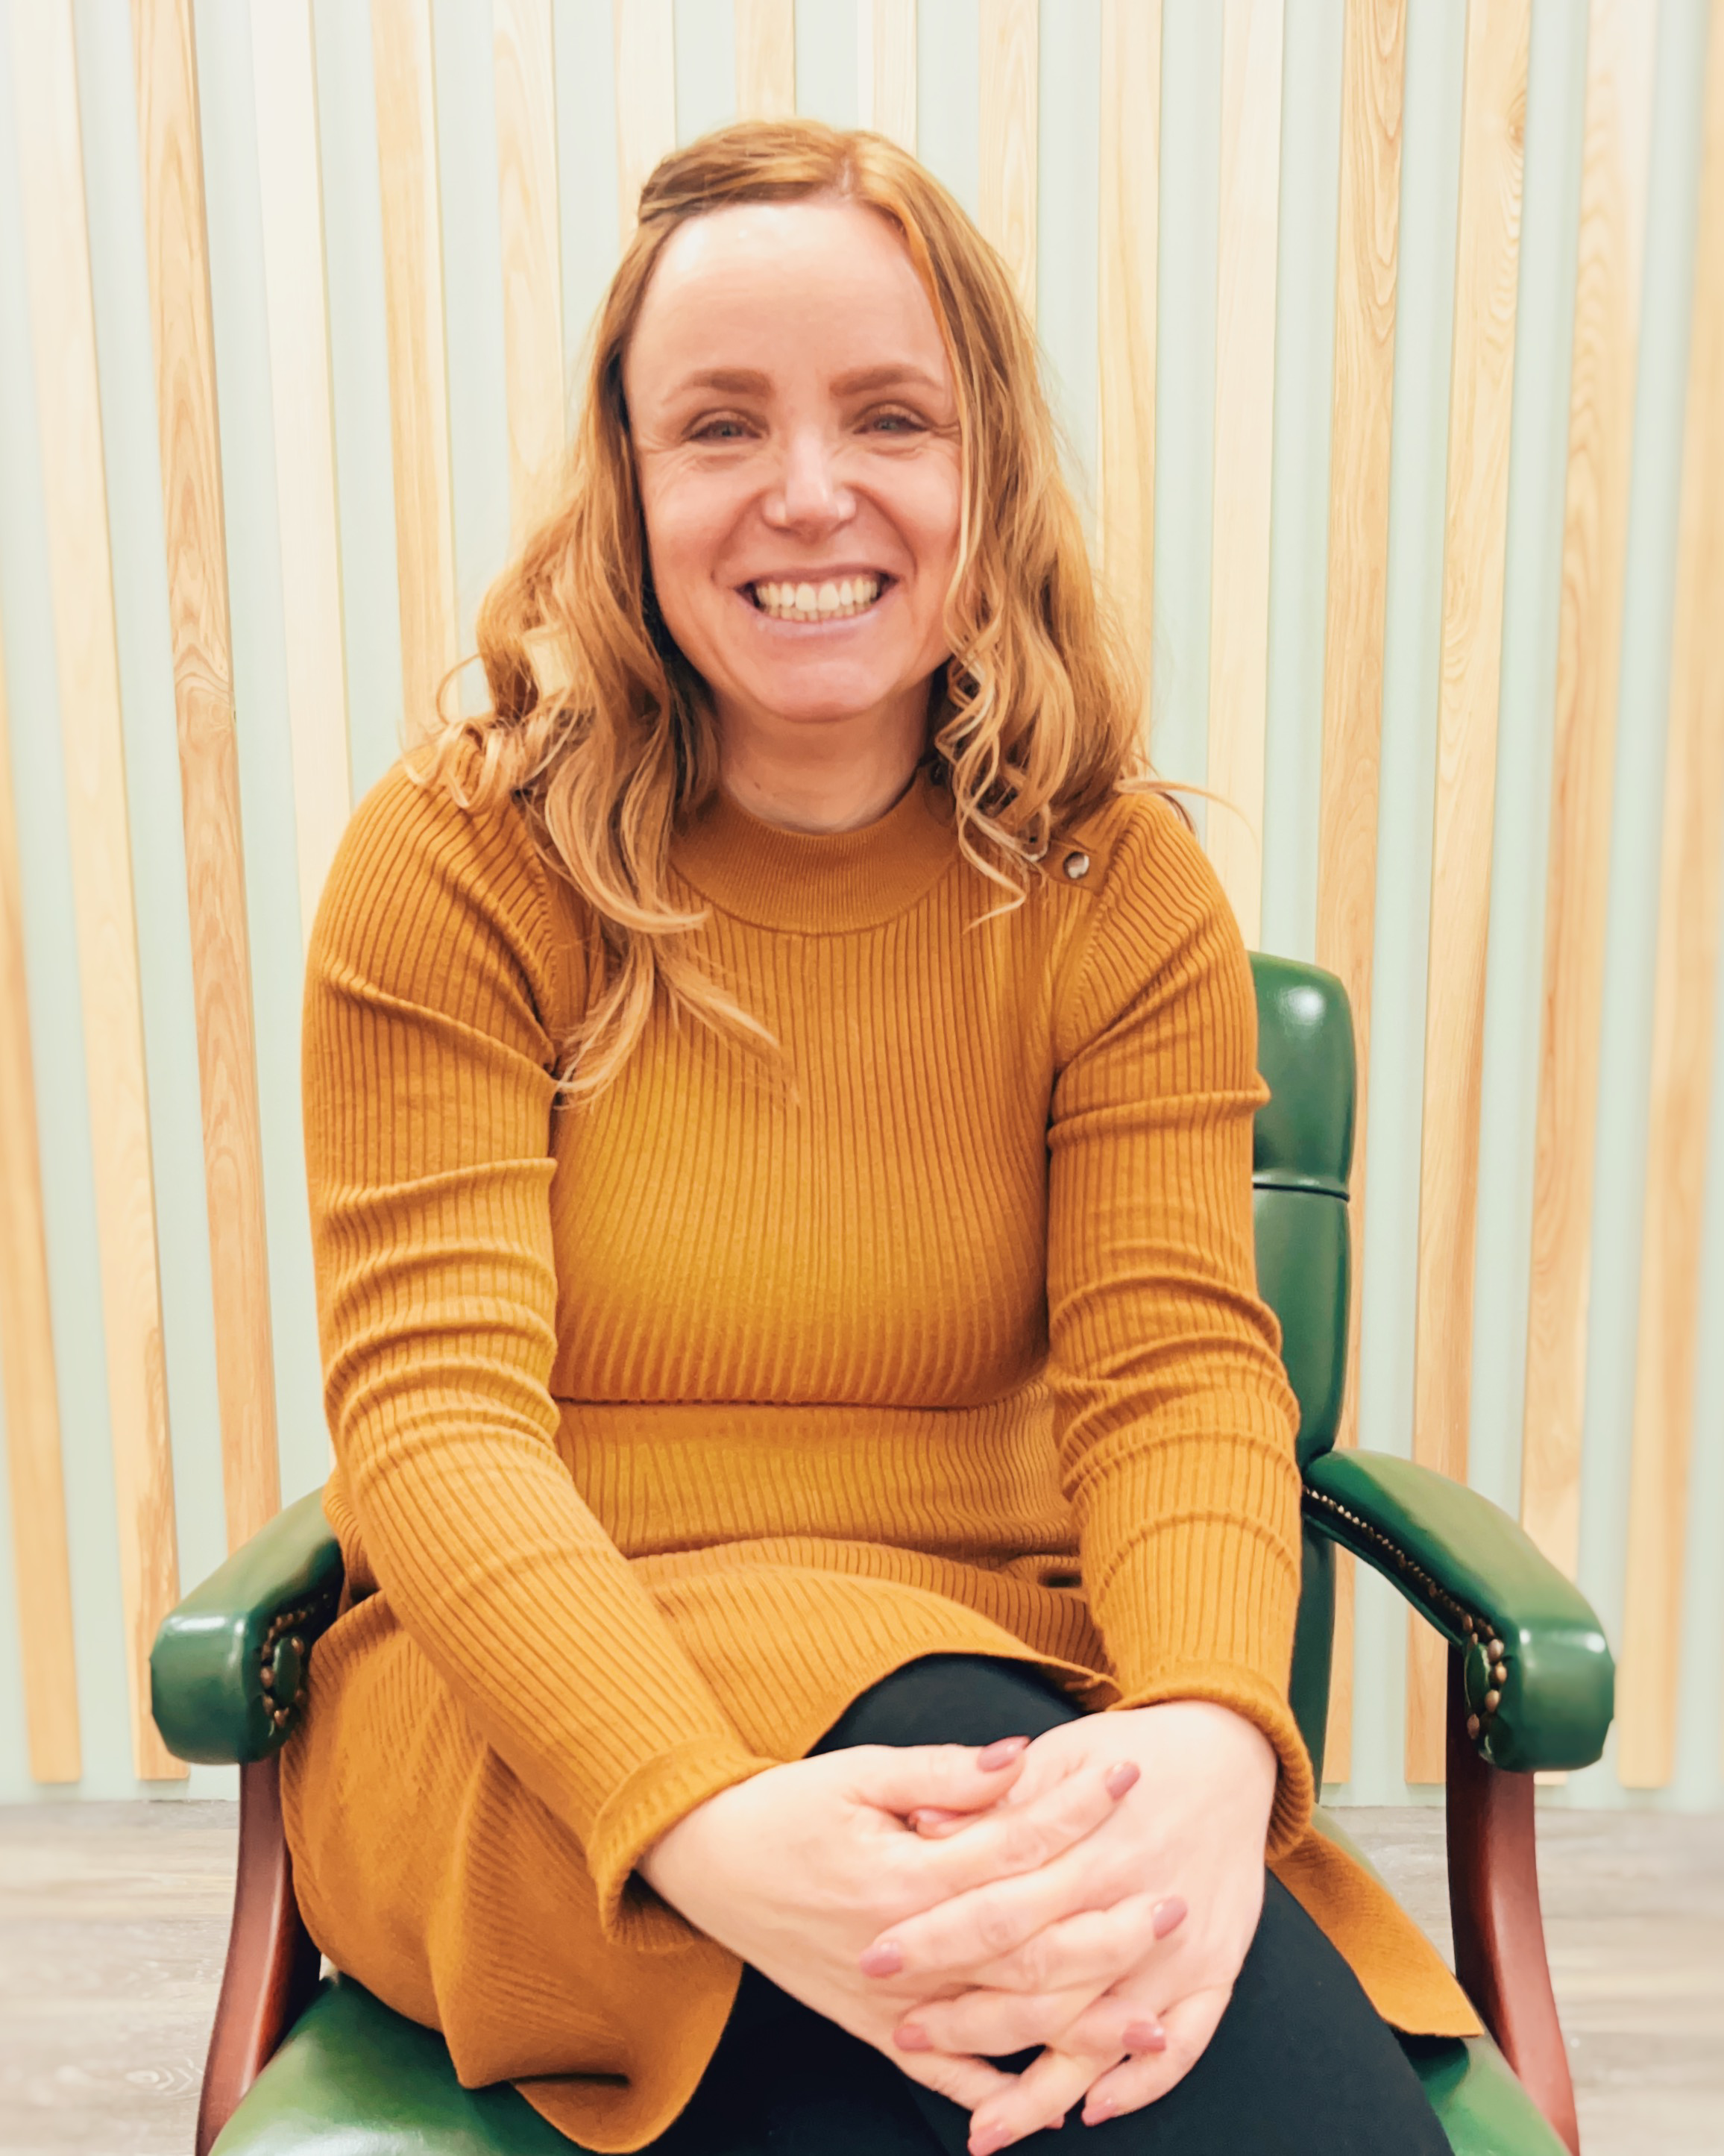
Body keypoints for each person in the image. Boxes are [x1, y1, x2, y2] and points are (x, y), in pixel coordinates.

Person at [282, 119, 1475, 2155]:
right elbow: (436, 1426)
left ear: (985, 464)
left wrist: (1206, 1736)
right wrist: (702, 1823)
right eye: (720, 425)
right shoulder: (459, 859)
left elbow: (1178, 1373)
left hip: (999, 1697)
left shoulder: (1118, 890)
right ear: (628, 478)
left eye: (891, 416)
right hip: (537, 1716)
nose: (809, 491)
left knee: (1039, 1937)